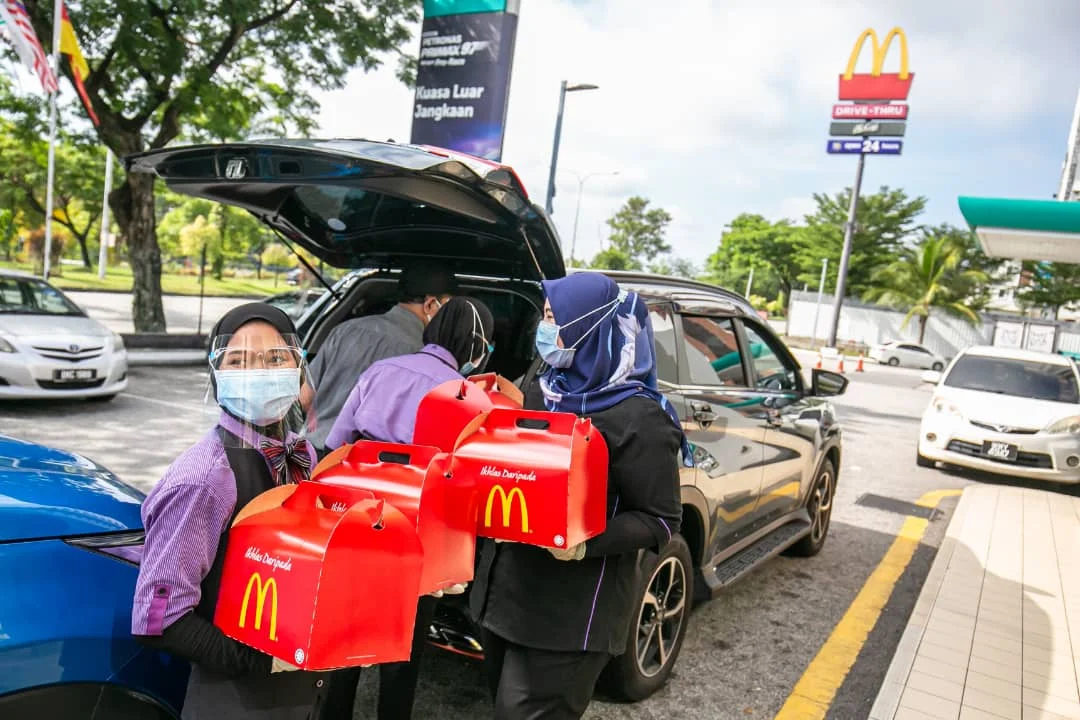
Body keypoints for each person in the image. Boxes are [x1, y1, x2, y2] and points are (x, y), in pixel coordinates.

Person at [469, 272, 693, 720]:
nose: (545, 330)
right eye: (546, 317)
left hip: (571, 615)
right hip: (507, 594)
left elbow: (662, 519)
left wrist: (585, 543)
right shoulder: (543, 390)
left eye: (556, 319)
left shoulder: (640, 419)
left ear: (590, 328)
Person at [132, 303, 329, 719]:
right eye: (238, 360)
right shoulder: (205, 478)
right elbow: (159, 618)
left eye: (275, 358)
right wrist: (263, 661)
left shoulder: (305, 456)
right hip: (235, 698)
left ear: (299, 365)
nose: (259, 371)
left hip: (301, 689)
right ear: (217, 374)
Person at [321, 296, 496, 720]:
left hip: (359, 524)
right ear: (474, 344)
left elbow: (335, 446)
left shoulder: (381, 371)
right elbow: (472, 484)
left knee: (345, 636)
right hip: (418, 541)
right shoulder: (470, 398)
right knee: (404, 649)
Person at [306, 264, 458, 451]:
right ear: (431, 305)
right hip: (356, 466)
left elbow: (305, 395)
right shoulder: (423, 357)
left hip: (308, 451)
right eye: (449, 308)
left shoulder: (345, 329)